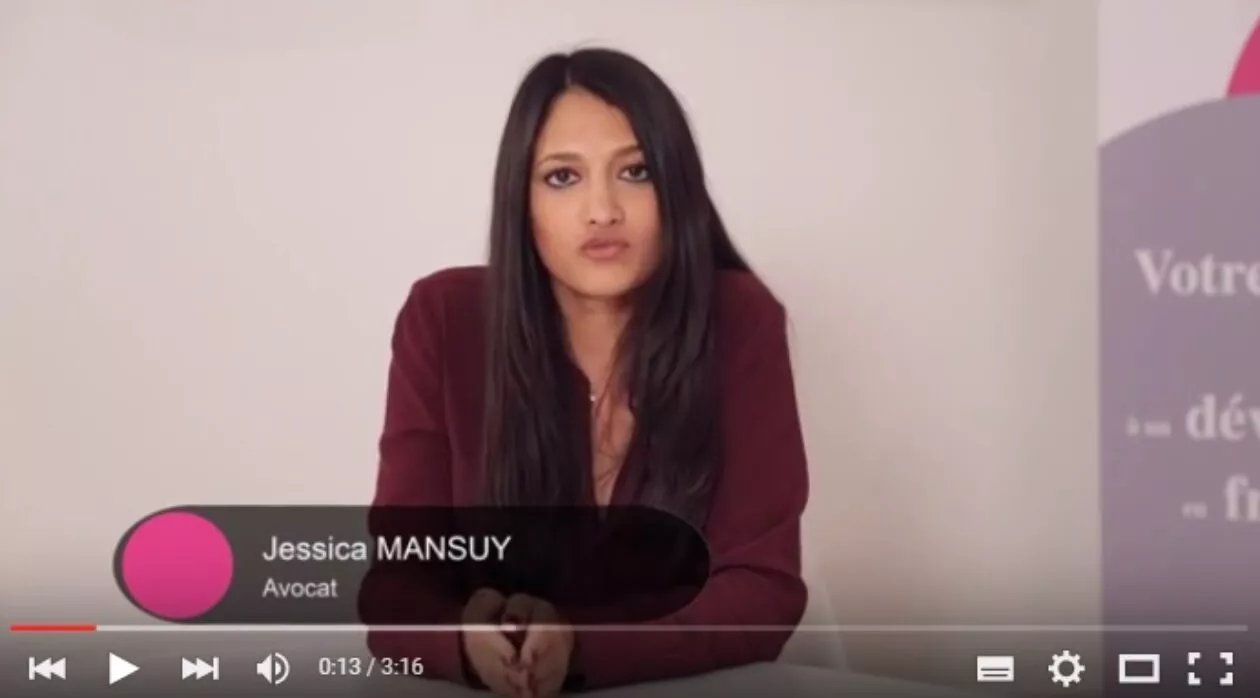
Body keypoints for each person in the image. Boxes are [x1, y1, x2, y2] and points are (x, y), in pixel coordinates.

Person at [365, 47, 810, 696]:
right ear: (521, 201)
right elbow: (396, 588)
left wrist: (578, 647)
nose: (602, 210)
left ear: (676, 190)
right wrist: (466, 643)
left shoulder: (741, 319)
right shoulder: (445, 316)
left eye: (635, 171)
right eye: (562, 177)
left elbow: (763, 592)